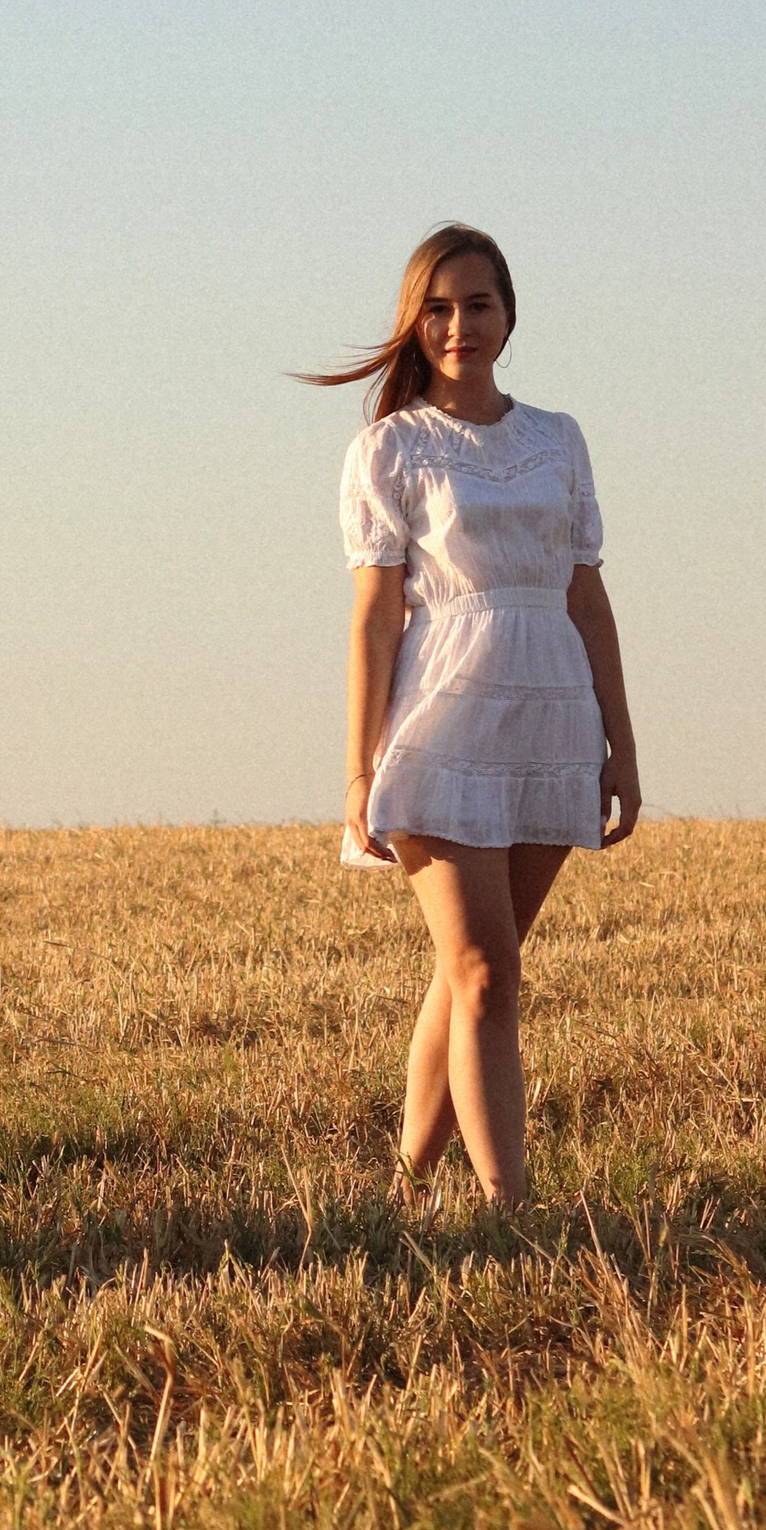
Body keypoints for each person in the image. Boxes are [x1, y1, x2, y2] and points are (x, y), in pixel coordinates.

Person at [306, 224, 638, 1207]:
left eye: (478, 305)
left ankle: (406, 1184)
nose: (460, 326)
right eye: (439, 308)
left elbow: (586, 598)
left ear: (509, 314)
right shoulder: (390, 450)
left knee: (469, 975)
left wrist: (620, 743)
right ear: (415, 322)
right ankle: (511, 1207)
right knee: (488, 974)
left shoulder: (557, 438)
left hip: (549, 716)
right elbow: (373, 618)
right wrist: (359, 772)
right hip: (440, 722)